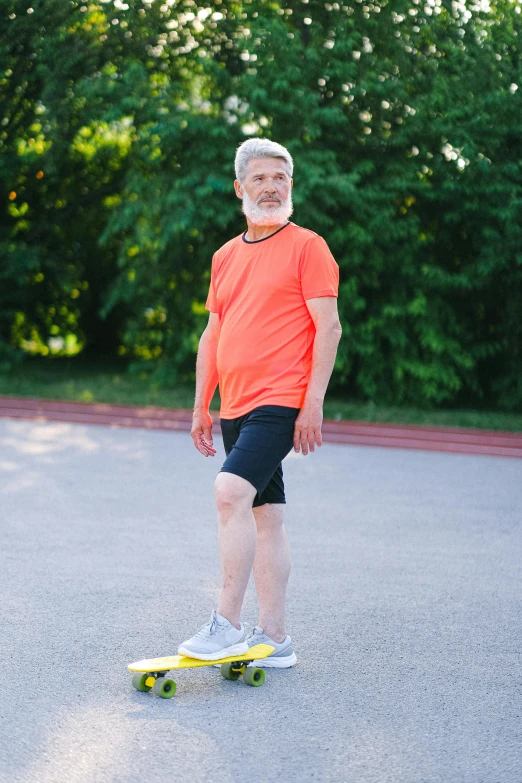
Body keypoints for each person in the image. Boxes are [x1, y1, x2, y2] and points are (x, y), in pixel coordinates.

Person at [178, 138, 342, 667]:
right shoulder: (225, 256)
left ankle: (225, 624)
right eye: (260, 179)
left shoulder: (309, 246)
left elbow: (329, 327)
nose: (271, 187)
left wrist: (312, 402)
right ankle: (275, 639)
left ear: (290, 185)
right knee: (266, 516)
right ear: (239, 188)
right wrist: (202, 404)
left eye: (280, 178)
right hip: (237, 404)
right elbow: (213, 333)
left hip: (280, 400)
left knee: (229, 493)